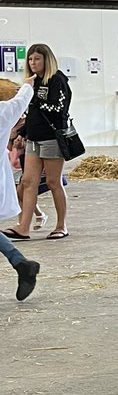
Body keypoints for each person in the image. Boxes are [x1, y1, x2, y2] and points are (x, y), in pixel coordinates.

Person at [3, 44, 71, 242]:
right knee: (27, 182)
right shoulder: (34, 83)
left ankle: (61, 225)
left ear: (46, 60)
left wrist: (30, 97)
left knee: (53, 182)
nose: (33, 63)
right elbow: (32, 115)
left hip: (52, 138)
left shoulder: (57, 80)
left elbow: (59, 109)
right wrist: (22, 133)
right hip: (34, 138)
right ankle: (24, 227)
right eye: (30, 60)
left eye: (37, 59)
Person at [0, 77, 41, 300]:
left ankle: (22, 264)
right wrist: (27, 85)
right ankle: (22, 264)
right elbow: (21, 101)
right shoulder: (4, 112)